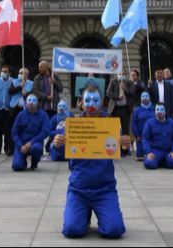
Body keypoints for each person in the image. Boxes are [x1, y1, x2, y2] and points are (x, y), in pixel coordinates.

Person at [56, 89, 126, 239]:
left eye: (95, 100)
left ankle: (103, 213)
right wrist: (57, 143)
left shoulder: (110, 126)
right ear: (81, 103)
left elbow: (121, 149)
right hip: (79, 189)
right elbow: (62, 151)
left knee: (114, 230)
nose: (91, 104)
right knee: (72, 230)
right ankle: (83, 214)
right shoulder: (73, 126)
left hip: (104, 189)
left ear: (102, 103)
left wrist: (125, 144)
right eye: (87, 100)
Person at [11, 95, 51, 171]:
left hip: (35, 144)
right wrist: (20, 145)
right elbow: (14, 132)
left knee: (36, 149)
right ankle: (23, 162)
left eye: (33, 100)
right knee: (17, 166)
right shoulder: (21, 115)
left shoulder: (43, 115)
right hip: (22, 144)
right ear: (26, 102)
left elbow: (45, 132)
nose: (31, 102)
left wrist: (31, 143)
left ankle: (34, 162)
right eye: (29, 100)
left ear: (37, 103)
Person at [141, 104, 173, 170]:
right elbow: (145, 139)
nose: (159, 111)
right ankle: (159, 161)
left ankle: (161, 162)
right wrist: (148, 152)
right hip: (155, 151)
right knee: (149, 164)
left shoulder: (171, 122)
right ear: (155, 112)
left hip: (168, 151)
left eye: (162, 109)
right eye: (157, 110)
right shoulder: (149, 123)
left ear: (165, 111)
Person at [0, 64, 19, 155]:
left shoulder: (13, 82)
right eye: (2, 71)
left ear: (9, 73)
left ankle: (7, 148)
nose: (3, 73)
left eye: (5, 71)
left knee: (8, 130)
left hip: (8, 109)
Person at [107, 70, 134, 136]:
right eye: (120, 73)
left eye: (123, 74)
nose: (121, 75)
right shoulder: (113, 81)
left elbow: (132, 93)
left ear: (125, 74)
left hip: (125, 109)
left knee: (125, 129)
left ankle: (124, 146)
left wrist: (125, 88)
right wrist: (118, 97)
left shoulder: (130, 82)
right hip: (115, 108)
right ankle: (115, 144)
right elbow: (108, 93)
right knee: (115, 128)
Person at [131, 92, 154, 161]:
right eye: (143, 96)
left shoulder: (154, 108)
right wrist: (136, 135)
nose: (144, 98)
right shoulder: (137, 110)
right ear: (140, 99)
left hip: (152, 136)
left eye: (146, 96)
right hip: (140, 137)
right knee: (140, 156)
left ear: (149, 98)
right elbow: (134, 123)